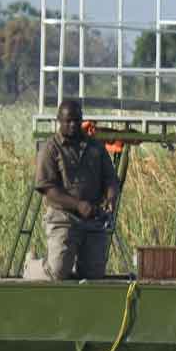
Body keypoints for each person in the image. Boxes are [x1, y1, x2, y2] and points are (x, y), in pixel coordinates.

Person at [34, 99, 120, 280]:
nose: (73, 125)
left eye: (77, 120)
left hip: (93, 218)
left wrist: (111, 197)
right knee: (57, 271)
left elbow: (110, 178)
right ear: (59, 120)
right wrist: (78, 205)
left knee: (94, 274)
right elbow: (48, 189)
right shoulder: (50, 148)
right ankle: (32, 266)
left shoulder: (95, 147)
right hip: (62, 216)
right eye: (68, 121)